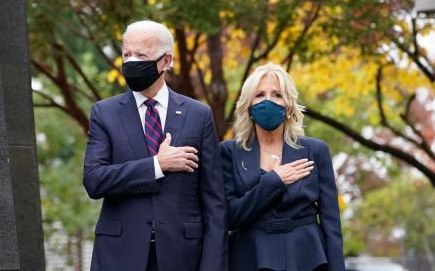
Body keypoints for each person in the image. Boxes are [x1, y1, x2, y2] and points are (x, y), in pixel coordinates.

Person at [83, 20, 227, 271]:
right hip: (119, 256)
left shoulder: (198, 115)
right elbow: (94, 180)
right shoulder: (104, 113)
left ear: (165, 61)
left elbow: (214, 202)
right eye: (126, 54)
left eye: (141, 55)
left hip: (182, 257)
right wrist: (156, 165)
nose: (130, 62)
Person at [220, 63, 345, 270]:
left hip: (307, 258)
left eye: (277, 95)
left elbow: (332, 224)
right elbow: (229, 217)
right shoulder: (229, 152)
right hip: (250, 258)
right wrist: (274, 181)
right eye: (260, 95)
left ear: (288, 105)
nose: (268, 101)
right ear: (248, 106)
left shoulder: (316, 150)